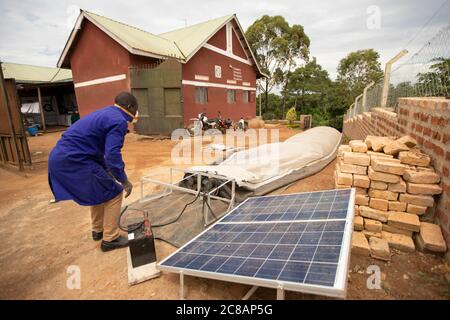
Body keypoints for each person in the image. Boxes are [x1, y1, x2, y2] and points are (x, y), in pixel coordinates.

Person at [48, 92, 139, 252]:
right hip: (75, 160)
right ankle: (110, 239)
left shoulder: (105, 113)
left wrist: (107, 172)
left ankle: (98, 231)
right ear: (130, 107)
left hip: (62, 158)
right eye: (136, 109)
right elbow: (112, 155)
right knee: (114, 193)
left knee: (99, 190)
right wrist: (123, 180)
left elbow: (97, 150)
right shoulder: (119, 121)